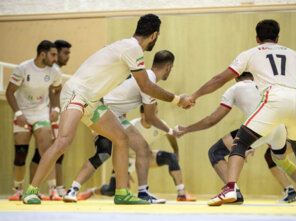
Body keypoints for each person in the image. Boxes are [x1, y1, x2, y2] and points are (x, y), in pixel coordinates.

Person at [22, 14, 193, 205]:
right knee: (64, 140)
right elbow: (146, 86)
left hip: (93, 100)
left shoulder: (124, 46)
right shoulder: (133, 49)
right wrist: (178, 99)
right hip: (76, 94)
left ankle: (122, 192)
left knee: (121, 138)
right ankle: (31, 191)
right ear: (154, 35)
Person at [184, 19, 296, 206]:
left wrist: (195, 95)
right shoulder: (294, 54)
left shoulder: (250, 54)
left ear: (257, 38)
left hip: (274, 101)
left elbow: (220, 79)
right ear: (278, 38)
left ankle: (231, 188)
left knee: (240, 142)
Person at [63, 50, 187, 204]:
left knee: (117, 151)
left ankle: (73, 190)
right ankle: (139, 193)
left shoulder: (143, 76)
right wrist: (171, 129)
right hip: (104, 112)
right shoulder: (149, 82)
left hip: (109, 112)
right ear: (168, 67)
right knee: (119, 151)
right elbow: (150, 117)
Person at [177, 72, 296, 203]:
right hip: (280, 127)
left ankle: (233, 191)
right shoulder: (264, 85)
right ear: (253, 76)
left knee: (216, 152)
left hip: (259, 128)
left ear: (235, 77)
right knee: (281, 161)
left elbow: (211, 120)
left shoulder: (235, 89)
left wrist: (186, 129)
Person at [78, 105, 197, 202]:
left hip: (145, 157)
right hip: (126, 158)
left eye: (156, 113)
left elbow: (170, 136)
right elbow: (118, 144)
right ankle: (92, 191)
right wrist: (123, 171)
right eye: (152, 113)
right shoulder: (133, 125)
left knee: (171, 158)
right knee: (111, 190)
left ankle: (182, 193)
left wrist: (176, 152)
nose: (155, 116)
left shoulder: (160, 125)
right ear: (143, 114)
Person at [6, 40, 62, 201]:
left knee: (47, 151)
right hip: (22, 113)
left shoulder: (55, 71)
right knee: (20, 153)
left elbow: (57, 90)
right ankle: (17, 190)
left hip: (41, 114)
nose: (55, 59)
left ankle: (53, 190)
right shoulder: (23, 68)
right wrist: (18, 113)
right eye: (53, 55)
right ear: (42, 54)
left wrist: (56, 109)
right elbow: (10, 92)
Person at [31, 39, 72, 198]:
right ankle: (55, 188)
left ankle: (52, 187)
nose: (67, 56)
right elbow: (48, 92)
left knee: (43, 152)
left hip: (52, 112)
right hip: (46, 114)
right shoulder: (51, 69)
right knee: (54, 151)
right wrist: (53, 110)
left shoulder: (54, 70)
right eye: (65, 53)